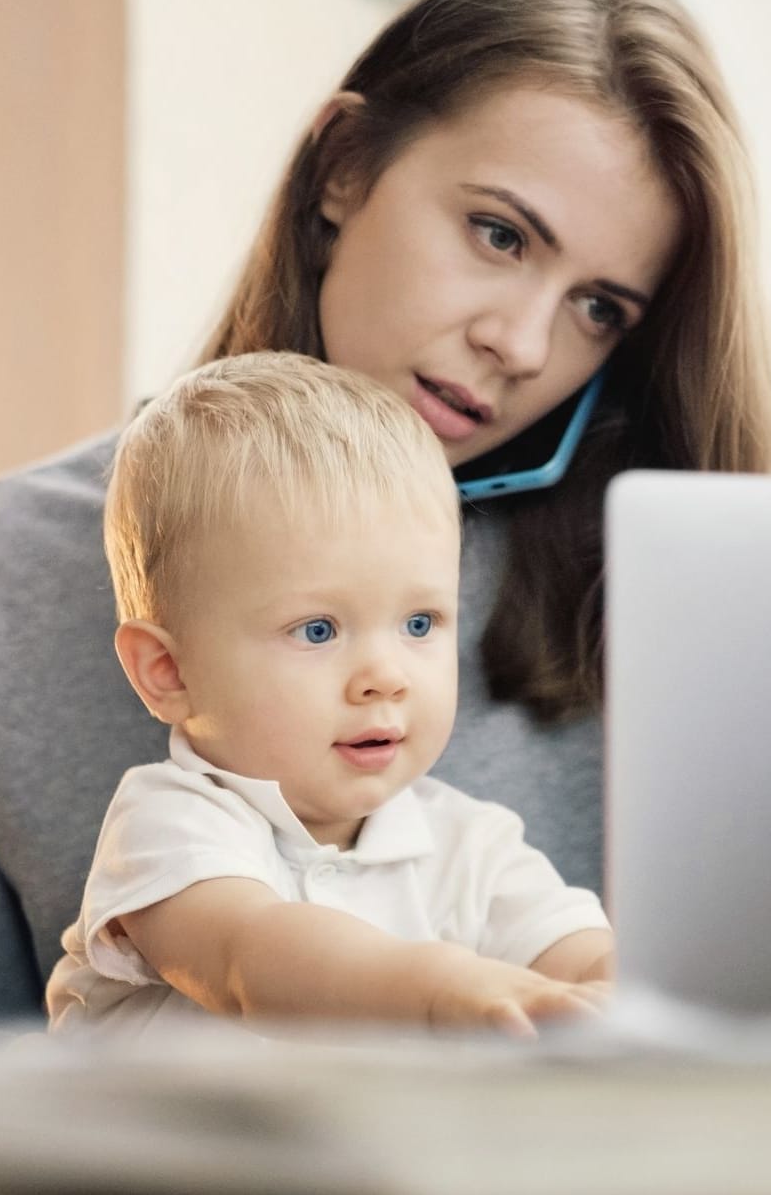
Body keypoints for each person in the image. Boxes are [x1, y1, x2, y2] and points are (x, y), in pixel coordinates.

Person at [0, 0, 771, 1061]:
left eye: (600, 308)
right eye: (500, 234)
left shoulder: (662, 599)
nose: (521, 344)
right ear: (342, 168)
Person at [46, 353, 612, 1038]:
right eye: (318, 629)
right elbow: (249, 957)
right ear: (168, 670)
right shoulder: (170, 823)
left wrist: (625, 994)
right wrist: (440, 990)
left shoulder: (470, 845)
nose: (386, 675)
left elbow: (583, 956)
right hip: (145, 1146)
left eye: (419, 623)